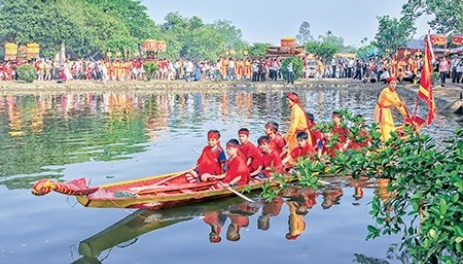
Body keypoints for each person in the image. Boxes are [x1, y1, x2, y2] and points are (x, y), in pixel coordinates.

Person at [373, 77, 408, 142]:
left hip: (387, 110)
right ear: (388, 84)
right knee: (382, 126)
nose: (393, 85)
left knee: (390, 125)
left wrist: (406, 115)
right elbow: (392, 101)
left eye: (394, 83)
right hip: (380, 110)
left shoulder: (394, 93)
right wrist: (400, 103)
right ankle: (383, 141)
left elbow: (398, 105)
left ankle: (389, 139)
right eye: (391, 83)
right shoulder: (385, 91)